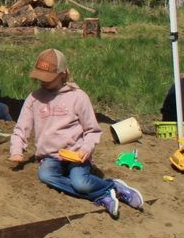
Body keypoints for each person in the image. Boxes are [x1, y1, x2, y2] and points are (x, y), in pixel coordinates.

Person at [8, 48, 143, 219]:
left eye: (48, 78)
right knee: (45, 175)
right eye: (40, 77)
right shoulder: (34, 98)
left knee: (80, 183)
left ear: (62, 74)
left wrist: (86, 148)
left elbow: (92, 130)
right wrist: (16, 150)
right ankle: (101, 194)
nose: (43, 82)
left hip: (76, 154)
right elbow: (22, 127)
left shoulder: (78, 97)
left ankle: (114, 187)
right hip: (50, 156)